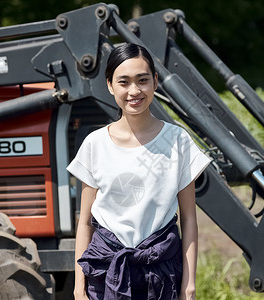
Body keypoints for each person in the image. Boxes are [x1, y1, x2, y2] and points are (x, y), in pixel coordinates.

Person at [67, 43, 211, 300]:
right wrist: (79, 289)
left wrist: (189, 286)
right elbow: (85, 222)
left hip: (161, 276)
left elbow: (189, 219)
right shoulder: (95, 144)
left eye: (142, 80)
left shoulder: (177, 140)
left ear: (155, 81)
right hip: (105, 273)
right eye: (124, 82)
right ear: (110, 85)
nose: (134, 90)